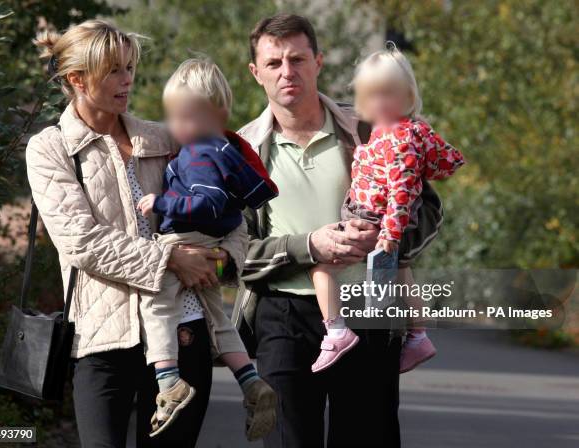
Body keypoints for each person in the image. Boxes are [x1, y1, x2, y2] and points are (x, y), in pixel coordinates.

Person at [231, 14, 444, 447]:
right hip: (282, 315)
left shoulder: (369, 128)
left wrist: (384, 237)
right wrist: (309, 246)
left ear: (319, 62)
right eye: (274, 63)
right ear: (256, 73)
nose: (287, 72)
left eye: (298, 59)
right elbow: (235, 252)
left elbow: (430, 213)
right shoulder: (241, 151)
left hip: (368, 310)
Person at [27, 20, 235, 447]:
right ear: (76, 80)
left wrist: (224, 260)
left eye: (129, 67)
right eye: (114, 71)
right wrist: (171, 258)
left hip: (183, 331)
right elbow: (82, 242)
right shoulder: (51, 148)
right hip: (102, 339)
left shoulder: (164, 139)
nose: (128, 80)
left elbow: (230, 211)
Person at [136, 58, 278, 439]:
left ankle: (168, 384)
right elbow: (232, 214)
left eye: (184, 117)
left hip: (185, 240)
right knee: (219, 320)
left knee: (157, 305)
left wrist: (161, 203)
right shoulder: (227, 149)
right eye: (173, 117)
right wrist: (223, 252)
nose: (175, 127)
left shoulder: (198, 154)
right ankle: (251, 381)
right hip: (214, 243)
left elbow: (208, 202)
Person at [309, 44, 465, 373]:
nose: (379, 103)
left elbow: (402, 191)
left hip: (372, 219)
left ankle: (336, 331)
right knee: (401, 270)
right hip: (378, 218)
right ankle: (418, 335)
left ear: (407, 95)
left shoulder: (398, 137)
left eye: (388, 95)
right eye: (371, 96)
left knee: (321, 268)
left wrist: (390, 236)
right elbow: (448, 160)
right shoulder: (414, 131)